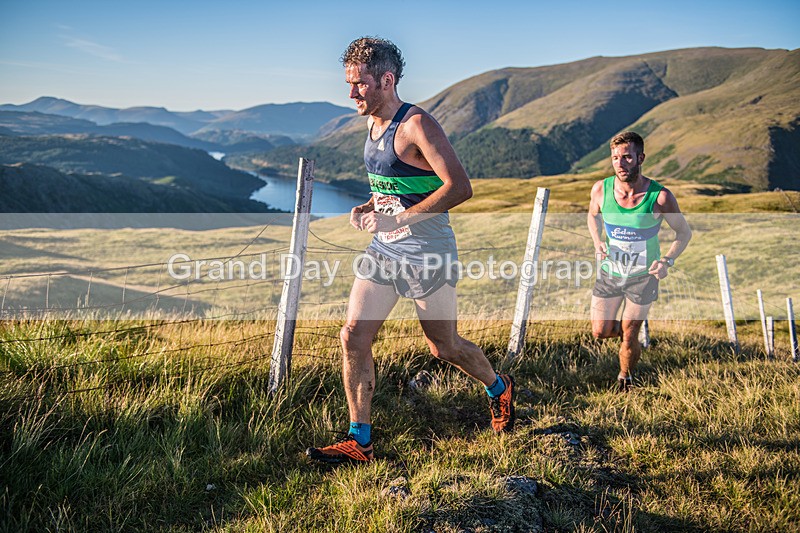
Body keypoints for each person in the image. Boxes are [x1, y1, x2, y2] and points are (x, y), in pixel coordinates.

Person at [306, 37, 515, 464]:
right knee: (353, 336)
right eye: (349, 83)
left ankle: (499, 387)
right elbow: (392, 184)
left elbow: (460, 187)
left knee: (445, 347)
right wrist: (370, 205)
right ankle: (359, 440)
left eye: (360, 84)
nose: (351, 94)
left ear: (387, 80)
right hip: (384, 249)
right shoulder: (371, 123)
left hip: (428, 251)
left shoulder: (418, 124)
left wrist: (399, 219)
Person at [588, 131, 692, 392]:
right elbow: (592, 216)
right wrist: (597, 240)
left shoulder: (660, 197)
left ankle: (626, 377)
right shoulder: (601, 189)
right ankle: (628, 339)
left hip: (643, 276)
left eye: (626, 158)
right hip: (610, 272)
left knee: (631, 331)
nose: (620, 164)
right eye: (615, 158)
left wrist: (666, 260)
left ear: (640, 158)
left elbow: (684, 232)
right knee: (600, 332)